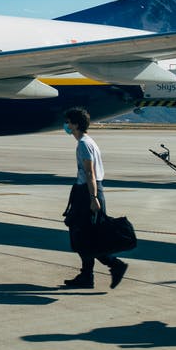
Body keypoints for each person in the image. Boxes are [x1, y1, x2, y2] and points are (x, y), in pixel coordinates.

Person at [61, 107, 128, 289]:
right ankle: (87, 276)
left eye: (68, 122)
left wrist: (93, 198)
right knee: (86, 236)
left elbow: (90, 172)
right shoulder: (88, 141)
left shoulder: (84, 143)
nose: (66, 126)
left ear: (75, 124)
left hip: (88, 192)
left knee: (84, 236)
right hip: (88, 190)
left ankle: (114, 265)